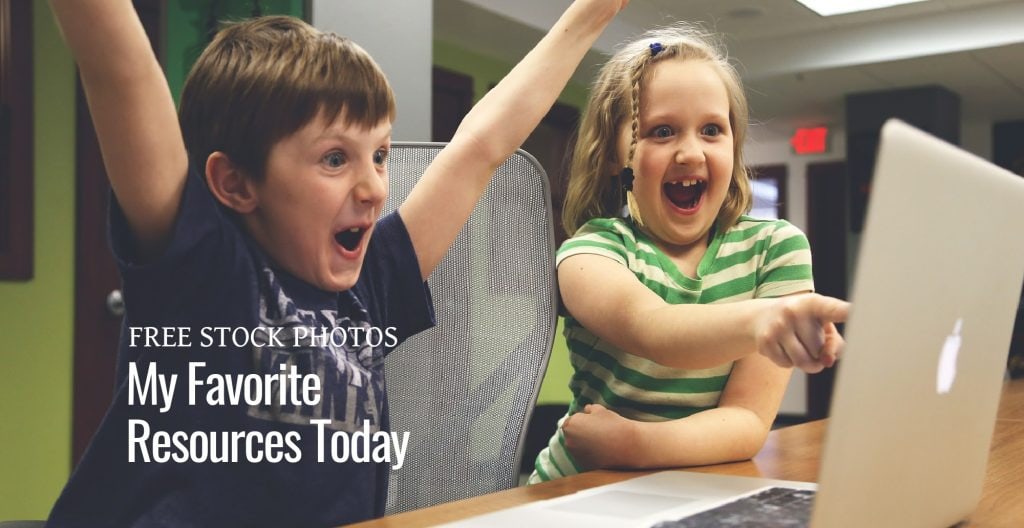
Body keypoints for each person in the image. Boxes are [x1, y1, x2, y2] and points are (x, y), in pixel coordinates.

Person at [46, 0, 625, 525]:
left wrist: (593, 14)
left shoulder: (371, 284)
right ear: (234, 182)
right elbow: (118, 72)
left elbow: (481, 147)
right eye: (333, 159)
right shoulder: (202, 273)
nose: (376, 187)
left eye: (379, 154)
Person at [529, 23, 849, 483]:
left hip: (689, 485)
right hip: (579, 488)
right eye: (662, 131)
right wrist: (764, 320)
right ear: (616, 154)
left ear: (734, 145)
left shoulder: (776, 249)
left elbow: (748, 421)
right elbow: (655, 330)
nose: (690, 152)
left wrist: (634, 445)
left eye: (712, 130)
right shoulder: (589, 253)